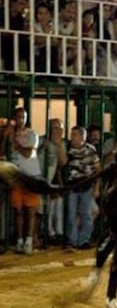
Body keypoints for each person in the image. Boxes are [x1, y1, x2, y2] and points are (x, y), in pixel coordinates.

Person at [3, 108, 42, 255]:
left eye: (23, 117)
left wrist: (15, 142)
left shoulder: (32, 134)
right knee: (18, 211)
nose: (20, 120)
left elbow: (28, 153)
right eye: (18, 117)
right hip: (17, 176)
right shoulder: (11, 134)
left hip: (31, 175)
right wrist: (6, 137)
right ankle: (19, 241)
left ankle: (29, 241)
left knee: (31, 211)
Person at [65, 126, 101, 250]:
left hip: (86, 184)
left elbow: (98, 170)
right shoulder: (68, 148)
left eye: (74, 135)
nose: (72, 137)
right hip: (73, 185)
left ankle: (83, 240)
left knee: (86, 214)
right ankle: (73, 241)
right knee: (71, 214)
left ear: (82, 137)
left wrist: (97, 187)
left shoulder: (90, 150)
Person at [37, 118, 68, 246]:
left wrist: (59, 145)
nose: (58, 131)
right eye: (55, 128)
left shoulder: (63, 143)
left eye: (60, 128)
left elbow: (63, 162)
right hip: (43, 180)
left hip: (57, 180)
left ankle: (58, 234)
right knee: (46, 209)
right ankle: (48, 233)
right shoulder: (42, 140)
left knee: (58, 207)